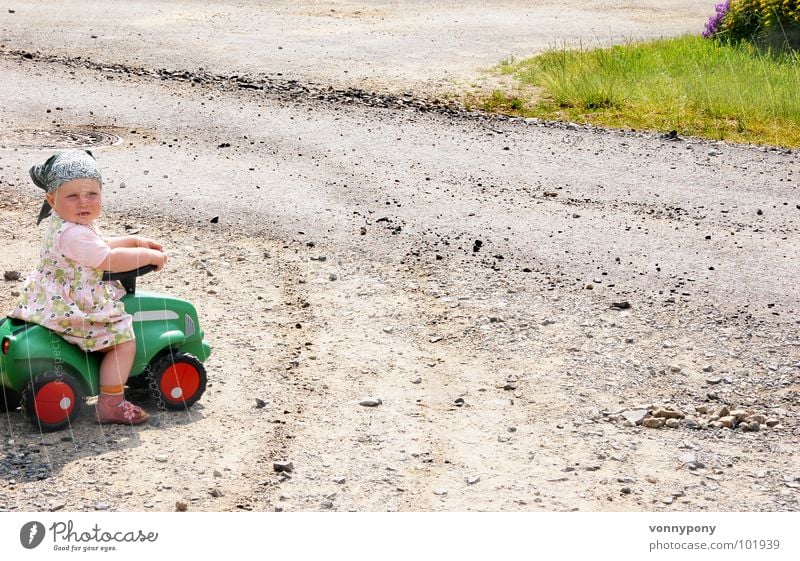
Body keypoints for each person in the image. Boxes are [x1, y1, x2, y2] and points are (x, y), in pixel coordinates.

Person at [9, 150, 168, 425]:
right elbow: (108, 258)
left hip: (51, 297)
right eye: (72, 196)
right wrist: (150, 257)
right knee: (123, 338)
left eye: (92, 194)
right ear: (51, 199)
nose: (84, 203)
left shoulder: (68, 223)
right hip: (72, 306)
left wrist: (133, 240)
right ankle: (112, 401)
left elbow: (101, 243)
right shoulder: (74, 233)